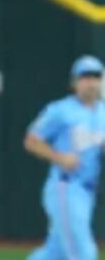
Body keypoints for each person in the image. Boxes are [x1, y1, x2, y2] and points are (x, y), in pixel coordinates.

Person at [24, 55, 105, 260]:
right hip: (65, 187)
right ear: (74, 82)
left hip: (87, 191)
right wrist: (59, 157)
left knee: (55, 253)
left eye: (96, 76)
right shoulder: (60, 110)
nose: (91, 82)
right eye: (85, 77)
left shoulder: (103, 112)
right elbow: (32, 140)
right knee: (84, 253)